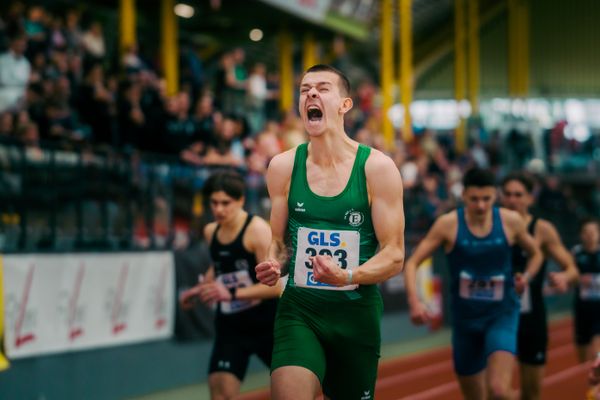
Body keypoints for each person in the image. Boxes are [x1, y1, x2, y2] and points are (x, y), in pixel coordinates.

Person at [255, 64, 405, 400]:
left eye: (323, 88)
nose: (310, 93)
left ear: (345, 105)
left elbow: (394, 254)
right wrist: (271, 262)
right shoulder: (282, 166)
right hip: (300, 308)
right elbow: (278, 241)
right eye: (305, 88)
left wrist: (348, 274)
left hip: (355, 313)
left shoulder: (377, 168)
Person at [404, 167, 543, 400]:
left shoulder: (510, 221)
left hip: (502, 315)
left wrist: (526, 277)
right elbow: (412, 263)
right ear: (464, 196)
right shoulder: (448, 225)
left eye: (486, 199)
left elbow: (536, 253)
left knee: (498, 390)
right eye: (474, 199)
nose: (480, 206)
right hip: (465, 322)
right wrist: (415, 301)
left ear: (495, 196)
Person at [179, 170, 281, 400]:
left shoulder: (257, 231)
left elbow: (276, 287)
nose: (219, 209)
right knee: (220, 392)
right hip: (232, 328)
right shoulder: (211, 231)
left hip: (269, 326)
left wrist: (232, 293)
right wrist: (200, 289)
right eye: (214, 203)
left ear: (241, 200)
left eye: (226, 203)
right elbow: (219, 266)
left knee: (294, 393)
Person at [501, 171, 579, 400]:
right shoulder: (489, 226)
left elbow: (572, 268)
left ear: (529, 198)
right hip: (497, 316)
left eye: (518, 194)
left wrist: (565, 277)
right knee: (496, 390)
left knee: (532, 391)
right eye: (507, 194)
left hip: (531, 317)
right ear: (500, 196)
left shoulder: (542, 229)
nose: (512, 199)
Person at [572, 218, 600, 363]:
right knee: (582, 356)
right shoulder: (575, 254)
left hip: (599, 309)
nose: (590, 236)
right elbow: (569, 275)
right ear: (581, 235)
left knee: (597, 351)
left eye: (593, 232)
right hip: (582, 308)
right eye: (586, 232)